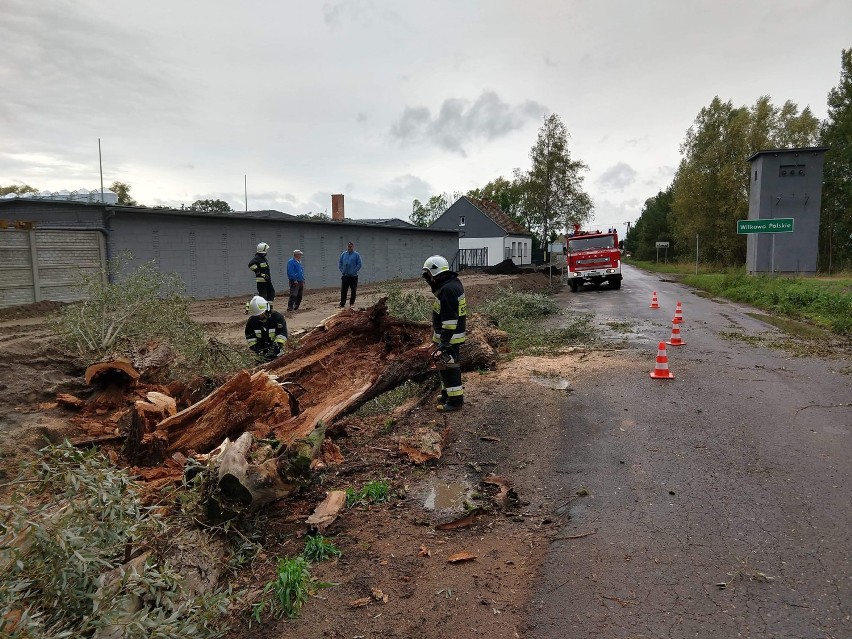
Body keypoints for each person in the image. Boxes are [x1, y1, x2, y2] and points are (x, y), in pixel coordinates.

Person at [421, 255, 466, 412]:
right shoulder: (451, 285)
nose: (427, 280)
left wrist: (444, 342)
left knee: (450, 369)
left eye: (427, 275)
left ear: (434, 273)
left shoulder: (447, 290)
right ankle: (447, 395)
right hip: (449, 338)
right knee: (444, 368)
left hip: (450, 339)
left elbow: (450, 320)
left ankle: (455, 402)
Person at [244, 295, 287, 361]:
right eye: (258, 315)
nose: (260, 316)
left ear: (267, 308)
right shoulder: (252, 321)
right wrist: (257, 350)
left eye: (261, 314)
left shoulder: (277, 318)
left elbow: (282, 334)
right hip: (261, 354)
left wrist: (276, 347)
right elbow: (250, 338)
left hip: (278, 353)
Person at [338, 241, 362, 308]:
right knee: (343, 290)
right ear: (347, 247)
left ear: (353, 247)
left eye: (351, 246)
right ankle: (342, 303)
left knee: (353, 290)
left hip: (353, 276)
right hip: (345, 276)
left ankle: (352, 304)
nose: (350, 248)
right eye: (348, 246)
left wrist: (354, 271)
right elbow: (340, 263)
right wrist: (342, 270)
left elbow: (359, 264)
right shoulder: (343, 254)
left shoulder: (356, 255)